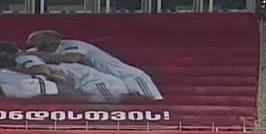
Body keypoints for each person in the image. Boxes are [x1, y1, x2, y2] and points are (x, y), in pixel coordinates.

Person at [27, 29, 164, 100]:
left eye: (35, 40)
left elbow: (71, 58)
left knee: (152, 104)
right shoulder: (42, 52)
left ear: (51, 40)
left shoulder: (71, 44)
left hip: (130, 77)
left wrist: (37, 55)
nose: (30, 43)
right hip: (110, 82)